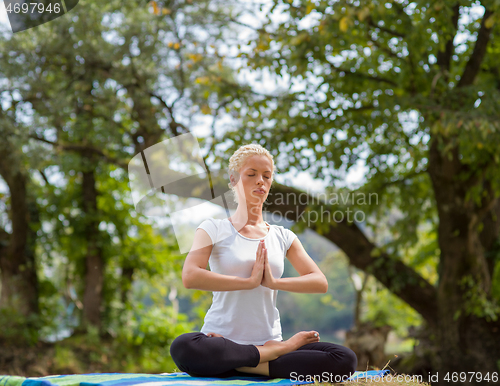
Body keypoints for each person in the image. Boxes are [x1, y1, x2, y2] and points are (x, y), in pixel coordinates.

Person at [170, 144, 357, 380]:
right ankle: (272, 353)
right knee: (183, 347)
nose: (261, 181)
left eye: (267, 176)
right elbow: (190, 276)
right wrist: (248, 282)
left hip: (268, 339)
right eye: (252, 174)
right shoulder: (213, 228)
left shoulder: (283, 235)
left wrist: (273, 282)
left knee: (344, 360)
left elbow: (319, 281)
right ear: (234, 179)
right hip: (221, 342)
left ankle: (248, 361)